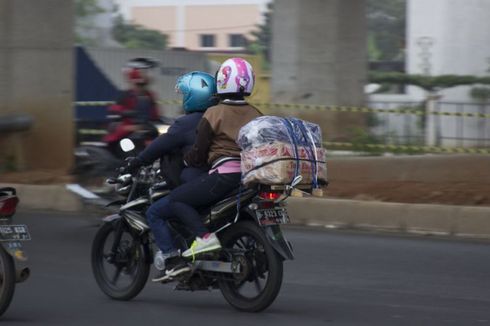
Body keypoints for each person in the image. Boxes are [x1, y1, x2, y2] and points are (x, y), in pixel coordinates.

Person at [152, 57, 262, 282]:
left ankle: (204, 237)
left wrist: (187, 161)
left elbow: (199, 152)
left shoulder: (213, 113)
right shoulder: (256, 114)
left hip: (224, 176)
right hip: (250, 176)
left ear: (222, 81)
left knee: (176, 200)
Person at [121, 71, 219, 280]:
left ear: (194, 96)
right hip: (220, 182)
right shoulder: (217, 118)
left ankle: (173, 260)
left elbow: (157, 147)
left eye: (185, 95)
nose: (183, 99)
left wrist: (136, 162)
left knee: (155, 211)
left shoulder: (186, 123)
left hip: (197, 183)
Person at [103, 57, 160, 156]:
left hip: (147, 130)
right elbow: (114, 112)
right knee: (130, 149)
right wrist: (126, 114)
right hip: (127, 132)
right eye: (145, 72)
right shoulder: (125, 95)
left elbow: (156, 115)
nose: (148, 75)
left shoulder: (149, 95)